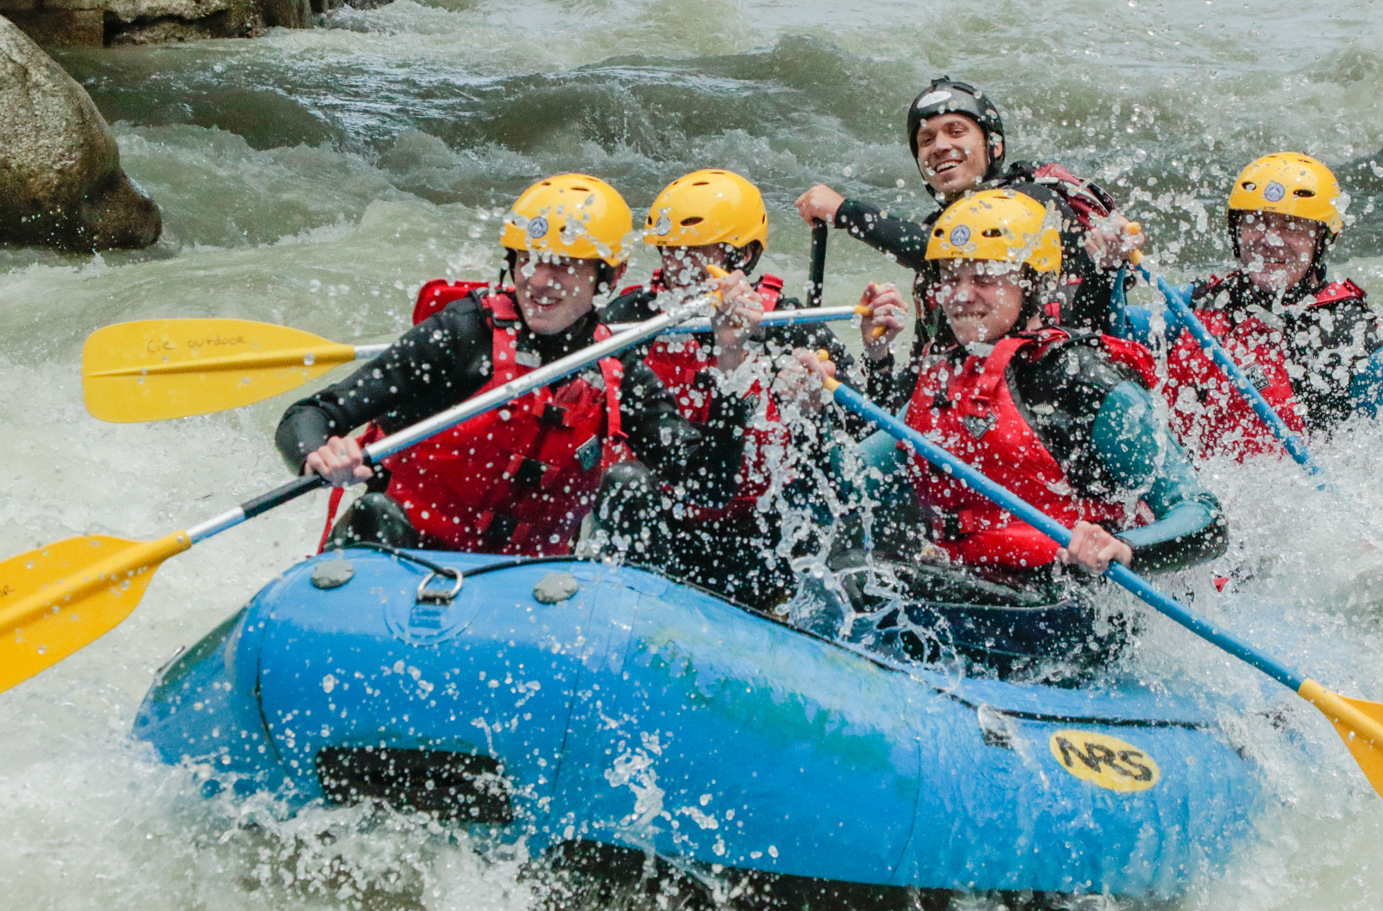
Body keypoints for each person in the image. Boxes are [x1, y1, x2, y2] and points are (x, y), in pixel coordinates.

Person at [788, 189, 1226, 675]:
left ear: (1034, 283)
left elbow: (1205, 518)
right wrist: (814, 413)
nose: (960, 294)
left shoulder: (1086, 382)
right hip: (980, 588)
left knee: (856, 581)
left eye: (984, 278)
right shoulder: (941, 380)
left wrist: (1123, 546)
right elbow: (851, 488)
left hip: (1072, 608)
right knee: (841, 550)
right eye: (950, 277)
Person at [274, 173, 763, 557]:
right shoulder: (460, 335)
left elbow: (710, 483)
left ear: (609, 275)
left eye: (565, 264)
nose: (539, 280)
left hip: (530, 592)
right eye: (529, 259)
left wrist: (730, 358)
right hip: (410, 560)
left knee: (631, 485)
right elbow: (310, 414)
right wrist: (318, 453)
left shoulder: (615, 364)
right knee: (373, 513)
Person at [596, 168, 861, 606]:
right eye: (671, 252)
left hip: (759, 533)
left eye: (698, 254)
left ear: (745, 257)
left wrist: (864, 365)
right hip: (664, 519)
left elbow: (861, 423)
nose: (679, 268)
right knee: (625, 484)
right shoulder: (630, 318)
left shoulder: (787, 327)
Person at [1111, 153, 1383, 462]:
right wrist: (1107, 269)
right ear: (1236, 232)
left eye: (1292, 226)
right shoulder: (1199, 303)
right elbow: (1109, 332)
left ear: (1322, 241)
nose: (1270, 239)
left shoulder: (1357, 342)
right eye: (1256, 222)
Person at [794, 76, 1142, 338]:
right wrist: (878, 357)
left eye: (956, 131)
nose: (940, 146)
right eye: (926, 140)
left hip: (1054, 379)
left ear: (995, 147)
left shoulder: (1033, 200)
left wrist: (846, 212)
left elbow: (942, 246)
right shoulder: (940, 242)